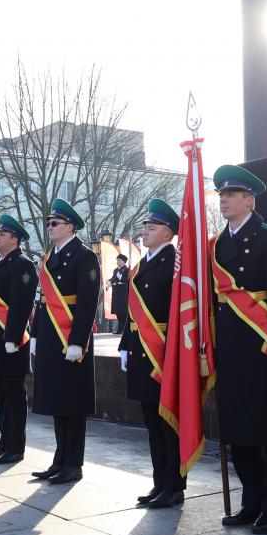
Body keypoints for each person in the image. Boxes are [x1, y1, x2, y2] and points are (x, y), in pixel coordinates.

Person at [210, 165, 267, 533]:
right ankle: (252, 500)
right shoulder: (216, 245)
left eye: (232, 195)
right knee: (239, 432)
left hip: (264, 348)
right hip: (231, 350)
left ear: (250, 200)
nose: (224, 200)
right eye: (221, 196)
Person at [118, 199, 183, 508]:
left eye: (152, 227)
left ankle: (174, 486)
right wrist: (124, 345)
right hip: (142, 350)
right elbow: (132, 312)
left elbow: (179, 313)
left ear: (168, 233)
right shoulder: (142, 264)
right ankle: (160, 483)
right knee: (153, 425)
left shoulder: (174, 263)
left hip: (163, 353)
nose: (145, 231)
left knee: (170, 425)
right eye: (145, 226)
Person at [32, 198, 101, 485]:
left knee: (72, 403)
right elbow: (43, 299)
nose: (50, 226)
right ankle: (60, 460)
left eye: (55, 223)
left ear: (70, 226)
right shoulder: (51, 256)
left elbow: (87, 302)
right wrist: (35, 333)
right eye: (48, 222)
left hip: (71, 337)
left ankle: (74, 464)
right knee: (57, 402)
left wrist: (78, 341)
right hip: (50, 334)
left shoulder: (85, 257)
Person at [0, 215, 38, 464]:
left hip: (10, 342)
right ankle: (4, 443)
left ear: (14, 239)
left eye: (2, 234)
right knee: (1, 396)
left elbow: (21, 304)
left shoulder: (22, 264)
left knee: (13, 395)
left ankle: (15, 447)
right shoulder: (0, 264)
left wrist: (12, 337)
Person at [108, 254, 130, 334]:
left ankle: (122, 329)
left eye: (119, 260)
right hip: (116, 292)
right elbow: (113, 278)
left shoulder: (127, 270)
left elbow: (127, 281)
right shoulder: (115, 270)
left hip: (123, 293)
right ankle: (120, 329)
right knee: (117, 311)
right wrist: (109, 281)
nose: (117, 261)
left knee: (123, 312)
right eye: (117, 260)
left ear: (123, 261)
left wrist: (120, 277)